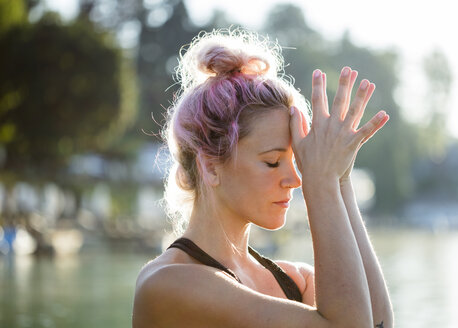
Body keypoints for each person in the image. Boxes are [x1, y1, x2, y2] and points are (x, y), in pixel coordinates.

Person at [132, 28, 393, 328]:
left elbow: (378, 323)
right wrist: (321, 184)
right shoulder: (167, 283)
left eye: (296, 161)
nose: (296, 180)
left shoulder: (296, 282)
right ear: (211, 167)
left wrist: (340, 178)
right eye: (272, 162)